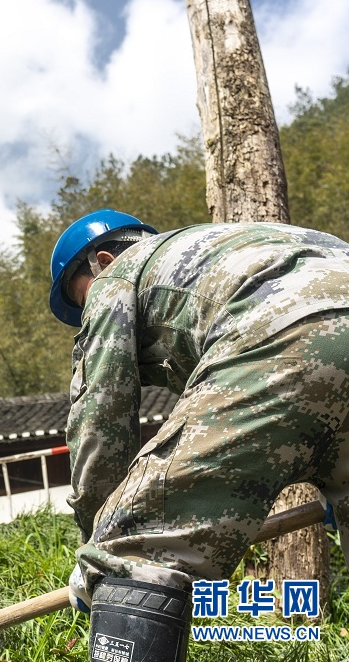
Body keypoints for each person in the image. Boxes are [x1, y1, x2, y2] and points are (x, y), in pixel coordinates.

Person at [49, 209, 349, 662]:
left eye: (81, 297)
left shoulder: (116, 277)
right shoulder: (233, 243)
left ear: (102, 261)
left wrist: (102, 548)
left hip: (288, 327)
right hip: (318, 318)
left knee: (137, 550)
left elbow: (100, 415)